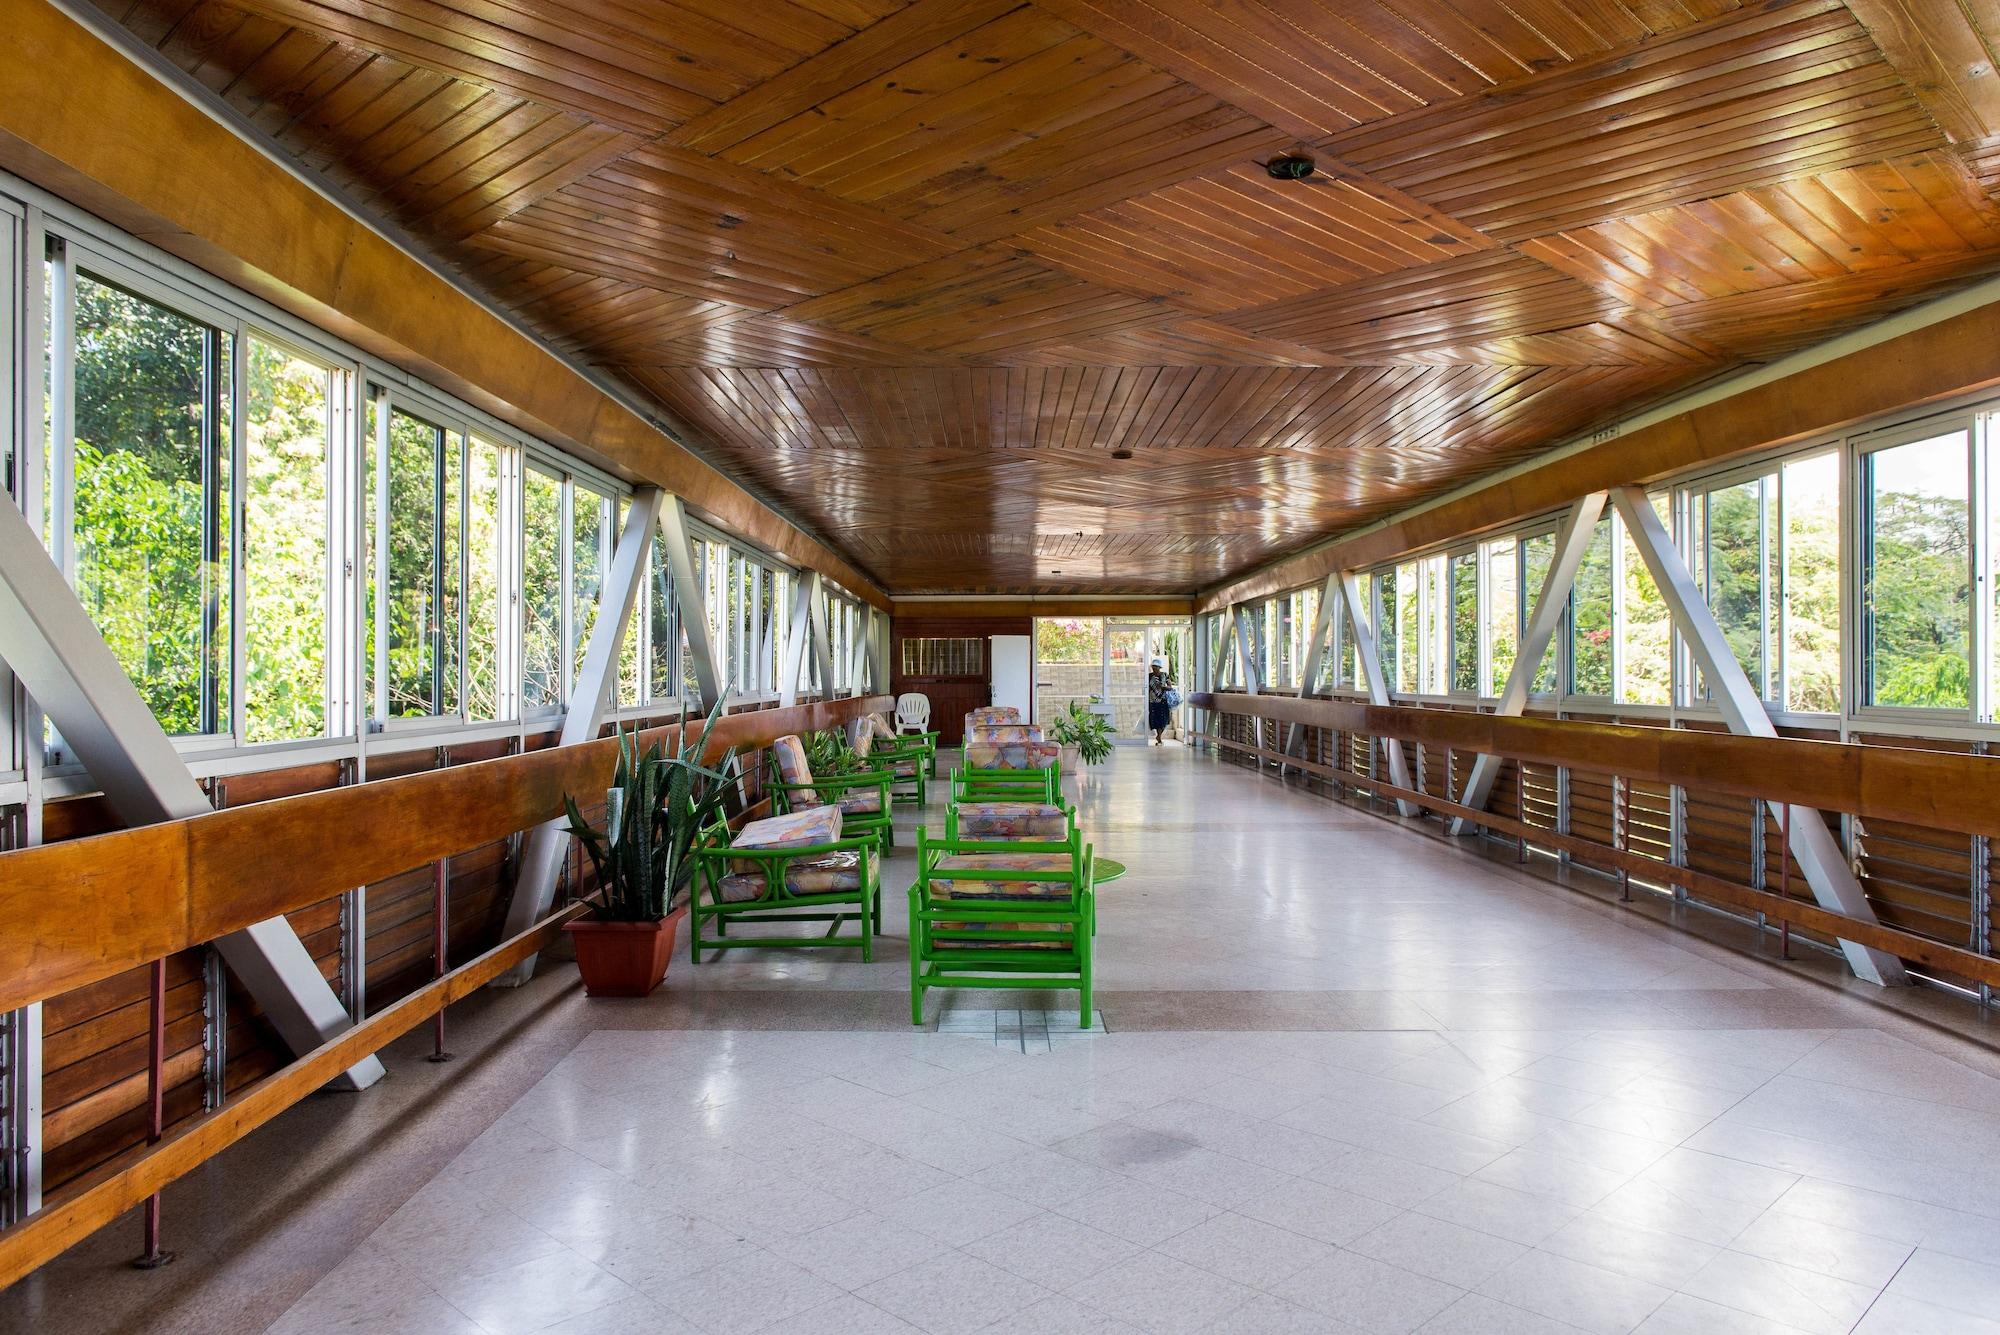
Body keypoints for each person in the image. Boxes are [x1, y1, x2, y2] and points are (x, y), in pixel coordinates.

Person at [1146, 656, 1175, 745]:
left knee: (1165, 719)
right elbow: (1146, 687)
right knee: (1155, 720)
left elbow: (1170, 687)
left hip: (1163, 701)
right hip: (1152, 701)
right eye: (1153, 666)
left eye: (1156, 667)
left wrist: (1163, 687)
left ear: (1159, 667)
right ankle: (1159, 738)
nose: (1154, 668)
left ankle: (1159, 736)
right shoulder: (1149, 676)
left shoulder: (1165, 675)